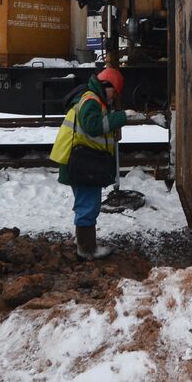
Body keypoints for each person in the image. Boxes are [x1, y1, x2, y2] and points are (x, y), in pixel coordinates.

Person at [54, 67, 127, 259]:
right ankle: (87, 249)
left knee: (85, 203)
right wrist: (121, 117)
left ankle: (82, 241)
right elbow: (93, 126)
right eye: (114, 92)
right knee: (89, 204)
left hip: (79, 161)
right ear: (106, 85)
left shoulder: (92, 99)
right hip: (82, 164)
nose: (113, 97)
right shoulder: (91, 101)